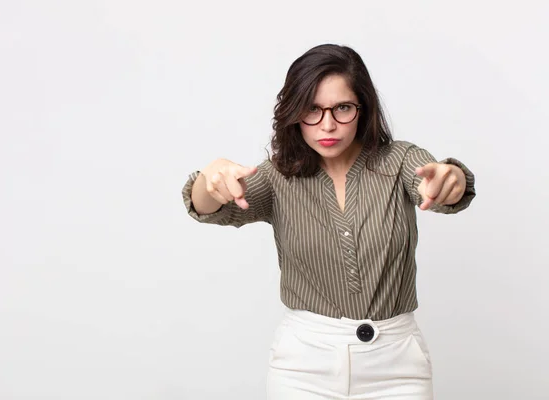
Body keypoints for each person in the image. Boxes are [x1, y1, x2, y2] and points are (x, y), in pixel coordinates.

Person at [181, 44, 476, 400]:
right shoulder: (277, 178)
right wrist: (209, 180)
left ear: (363, 109)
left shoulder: (400, 161)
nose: (328, 124)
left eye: (343, 108)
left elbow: (439, 184)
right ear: (293, 114)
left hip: (398, 365)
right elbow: (208, 206)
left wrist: (451, 181)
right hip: (304, 364)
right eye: (312, 110)